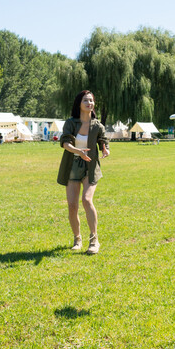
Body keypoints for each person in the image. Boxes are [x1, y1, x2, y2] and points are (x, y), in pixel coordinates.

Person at [58, 90, 109, 255]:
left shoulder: (97, 124)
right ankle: (77, 239)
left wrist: (104, 148)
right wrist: (78, 151)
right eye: (86, 100)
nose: (89, 103)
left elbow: (103, 138)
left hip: (90, 167)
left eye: (91, 101)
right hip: (72, 165)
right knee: (72, 206)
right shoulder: (71, 123)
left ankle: (94, 240)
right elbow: (65, 142)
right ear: (79, 103)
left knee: (87, 200)